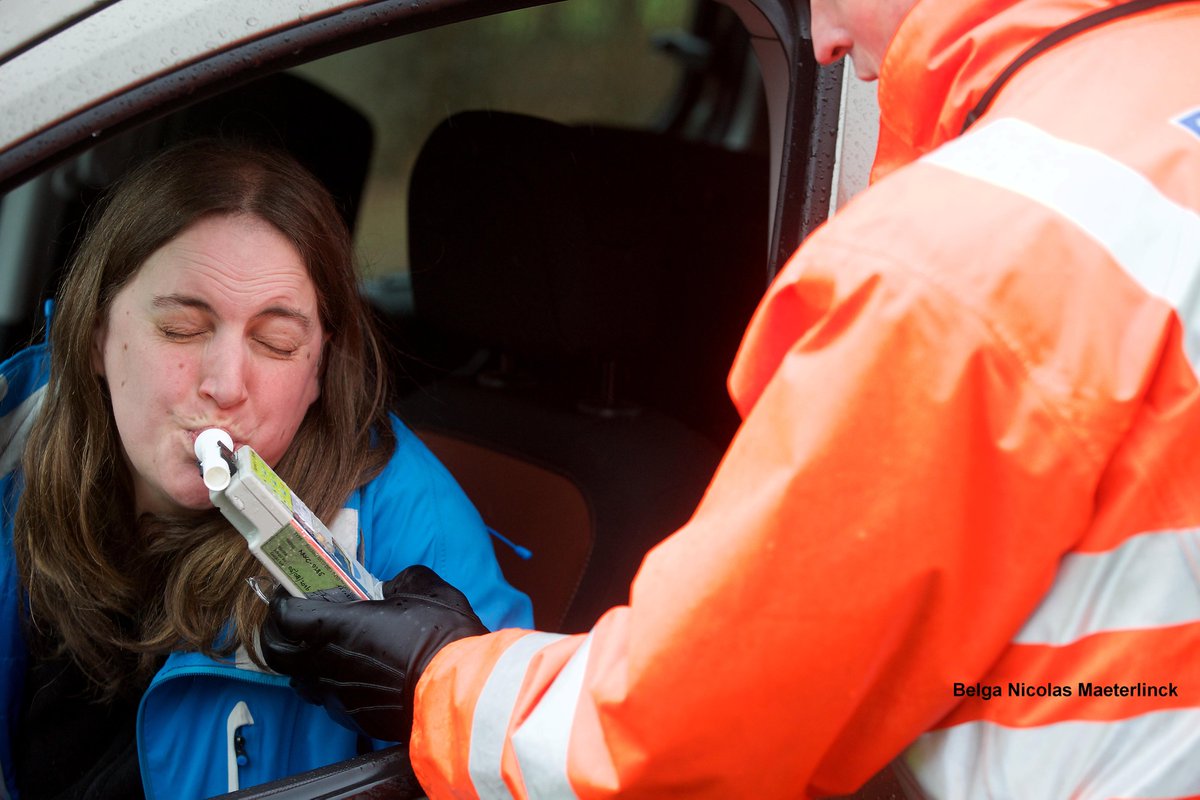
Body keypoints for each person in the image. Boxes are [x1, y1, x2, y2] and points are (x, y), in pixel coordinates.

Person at [261, 0, 1200, 796]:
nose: (822, 39)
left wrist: (435, 678)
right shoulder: (1160, 124)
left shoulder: (952, 268)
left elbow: (683, 741)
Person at [0, 138, 532, 799]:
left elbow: (518, 761)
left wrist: (438, 692)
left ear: (319, 370)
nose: (226, 385)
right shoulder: (13, 436)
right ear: (95, 336)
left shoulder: (410, 530)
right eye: (182, 329)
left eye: (276, 344)